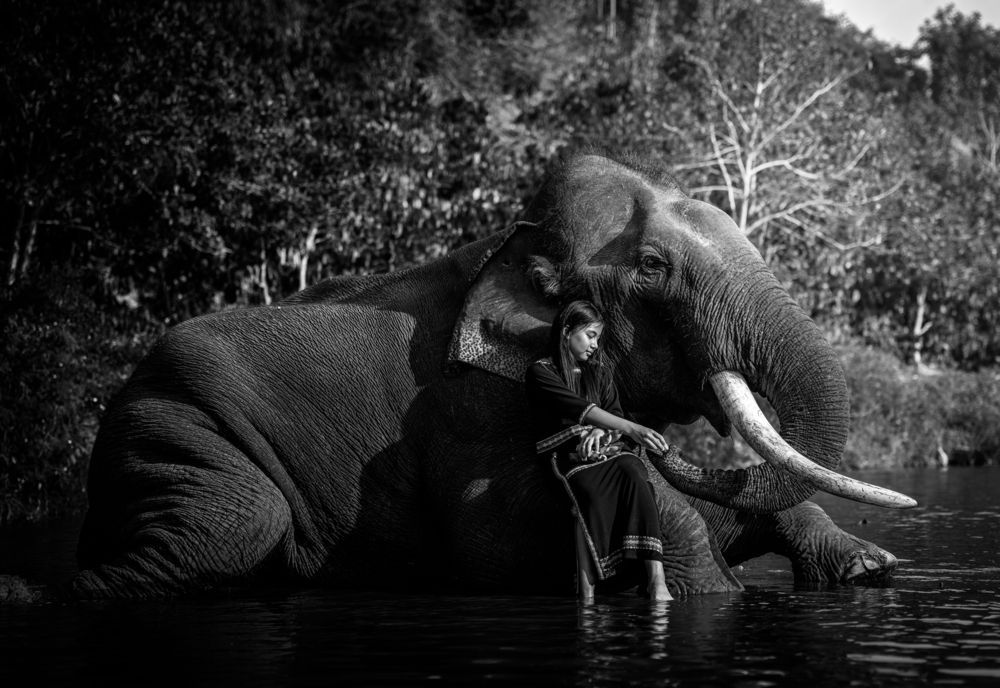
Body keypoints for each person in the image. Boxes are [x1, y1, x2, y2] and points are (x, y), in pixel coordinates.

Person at [525, 300, 672, 602]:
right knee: (589, 491)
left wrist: (601, 429)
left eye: (598, 339)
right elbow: (578, 408)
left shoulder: (600, 374)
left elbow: (611, 412)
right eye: (590, 335)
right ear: (567, 331)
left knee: (633, 470)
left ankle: (658, 581)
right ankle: (589, 589)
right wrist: (631, 428)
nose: (595, 345)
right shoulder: (541, 373)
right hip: (568, 459)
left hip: (609, 454)